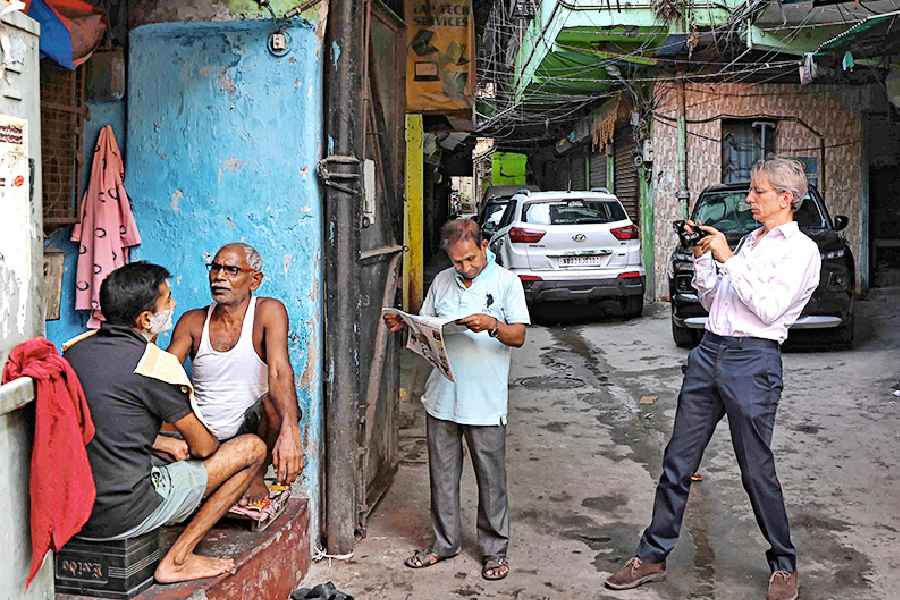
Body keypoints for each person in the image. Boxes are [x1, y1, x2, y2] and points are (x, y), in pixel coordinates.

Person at [605, 158, 820, 600]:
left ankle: (784, 564)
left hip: (753, 360)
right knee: (677, 462)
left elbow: (767, 308)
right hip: (709, 352)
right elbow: (715, 299)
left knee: (756, 469)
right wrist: (705, 260)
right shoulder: (750, 242)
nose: (749, 200)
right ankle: (652, 555)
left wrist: (727, 257)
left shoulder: (800, 251)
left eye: (758, 192)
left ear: (785, 198)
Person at [65, 262, 267, 583]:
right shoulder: (154, 366)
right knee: (252, 448)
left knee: (166, 449)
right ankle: (178, 559)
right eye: (168, 300)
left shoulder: (75, 353)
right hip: (124, 512)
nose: (173, 306)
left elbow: (96, 423)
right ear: (146, 318)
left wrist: (161, 441)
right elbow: (203, 448)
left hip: (74, 508)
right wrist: (191, 439)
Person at [383, 218, 530, 581]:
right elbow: (428, 325)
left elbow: (518, 337)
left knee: (490, 479)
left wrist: (493, 325)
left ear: (484, 247)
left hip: (485, 401)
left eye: (470, 259)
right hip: (442, 396)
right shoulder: (442, 281)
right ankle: (444, 542)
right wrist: (407, 325)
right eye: (456, 261)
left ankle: (495, 551)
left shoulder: (507, 283)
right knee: (442, 477)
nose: (463, 268)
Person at [169, 243, 303, 504]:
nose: (219, 276)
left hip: (251, 430)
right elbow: (165, 374)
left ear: (254, 280)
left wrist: (290, 431)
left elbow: (279, 370)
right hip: (203, 433)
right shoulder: (193, 321)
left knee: (274, 406)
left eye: (231, 270)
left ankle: (256, 475)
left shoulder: (268, 312)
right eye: (215, 268)